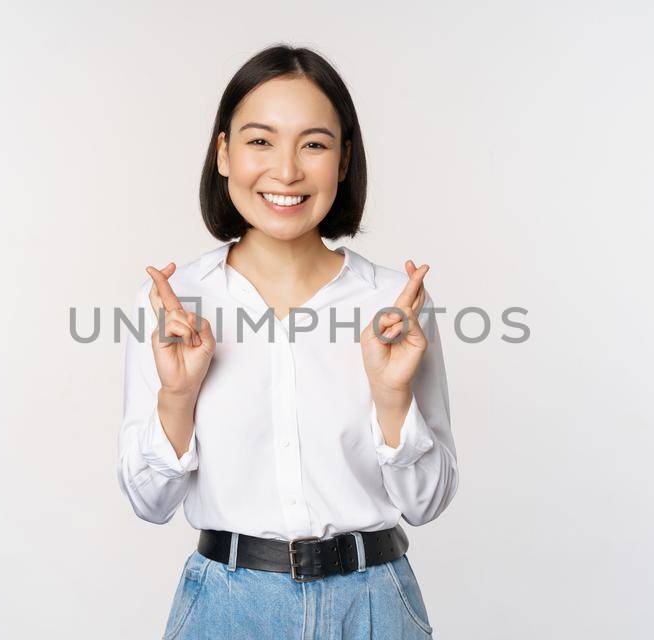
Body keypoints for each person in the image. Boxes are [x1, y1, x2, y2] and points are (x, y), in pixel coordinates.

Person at [116, 44, 459, 639]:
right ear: (223, 153)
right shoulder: (179, 303)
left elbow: (426, 504)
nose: (287, 170)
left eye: (314, 144)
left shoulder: (391, 306)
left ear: (344, 160)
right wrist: (176, 397)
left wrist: (392, 397)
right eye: (259, 141)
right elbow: (150, 503)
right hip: (225, 609)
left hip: (374, 606)